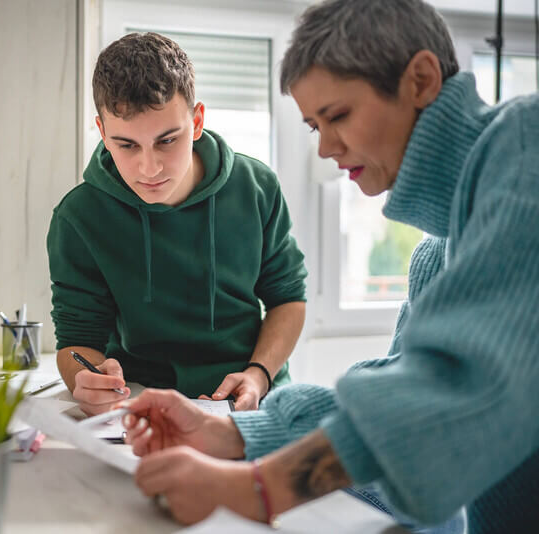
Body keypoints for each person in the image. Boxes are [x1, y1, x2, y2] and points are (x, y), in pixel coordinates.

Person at [118, 1, 539, 533]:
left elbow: (454, 393)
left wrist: (256, 490)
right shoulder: (437, 251)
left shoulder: (527, 146)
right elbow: (396, 390)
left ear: (422, 79)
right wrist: (235, 433)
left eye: (338, 115)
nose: (326, 149)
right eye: (315, 126)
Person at [47, 32, 307, 415]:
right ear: (102, 132)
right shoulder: (78, 217)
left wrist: (259, 374)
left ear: (197, 120)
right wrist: (85, 380)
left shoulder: (257, 187)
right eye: (127, 145)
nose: (148, 168)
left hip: (250, 400)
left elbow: (288, 298)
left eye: (167, 140)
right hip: (139, 403)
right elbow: (76, 341)